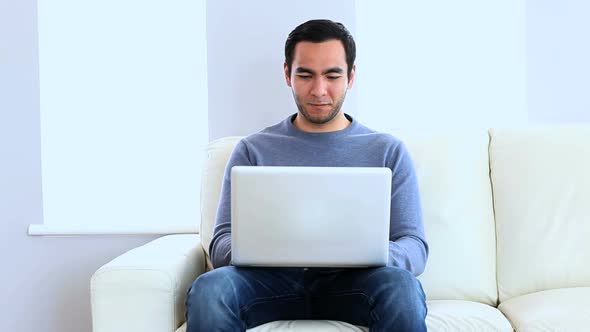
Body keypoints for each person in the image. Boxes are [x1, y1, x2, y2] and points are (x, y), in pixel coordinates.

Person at [185, 19, 428, 332]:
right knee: (210, 289)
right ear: (287, 74)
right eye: (305, 75)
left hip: (357, 284)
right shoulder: (253, 150)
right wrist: (256, 250)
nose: (319, 90)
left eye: (332, 75)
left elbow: (414, 244)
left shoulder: (387, 151)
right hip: (268, 283)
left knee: (401, 288)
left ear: (351, 76)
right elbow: (221, 241)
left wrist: (376, 254)